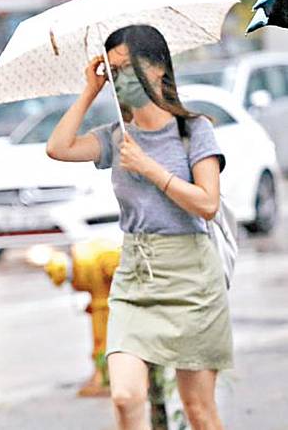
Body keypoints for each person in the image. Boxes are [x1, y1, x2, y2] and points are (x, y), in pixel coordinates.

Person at [46, 24, 233, 430]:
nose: (121, 79)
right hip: (136, 275)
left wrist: (150, 168)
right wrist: (89, 91)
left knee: (198, 410)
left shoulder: (194, 130)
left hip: (192, 279)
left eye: (129, 67)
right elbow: (58, 148)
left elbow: (207, 204)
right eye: (113, 71)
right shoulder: (117, 136)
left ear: (159, 68)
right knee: (126, 396)